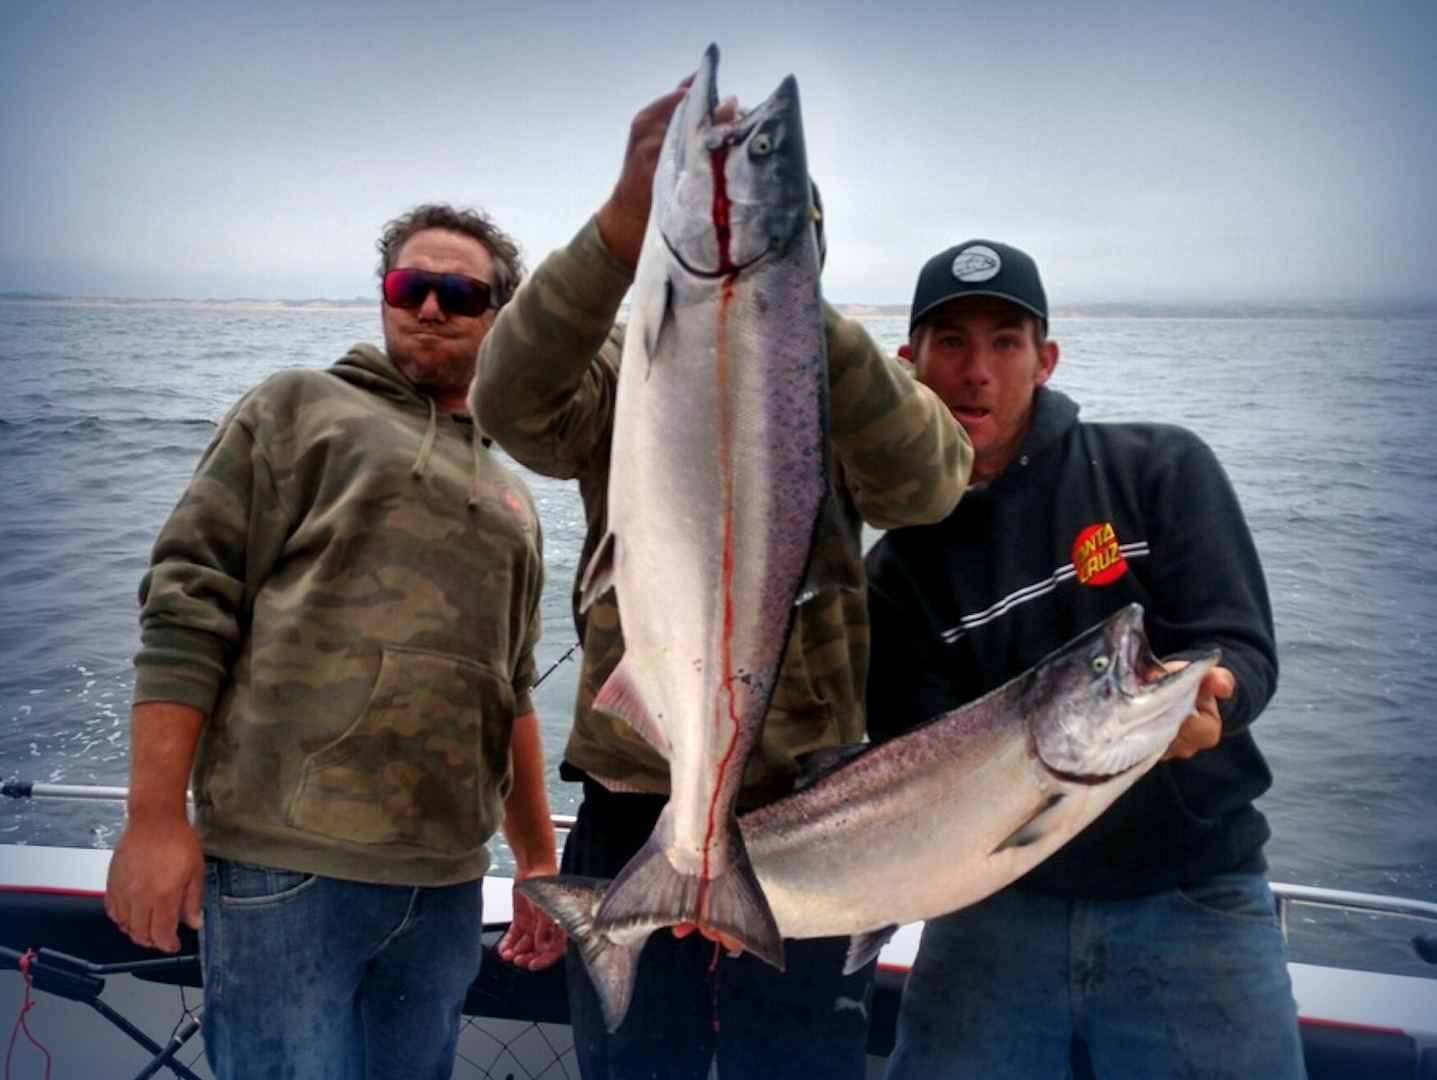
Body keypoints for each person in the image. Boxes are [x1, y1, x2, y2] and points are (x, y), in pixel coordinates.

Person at [470, 82, 971, 1080]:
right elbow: (509, 400)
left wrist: (794, 308)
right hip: (631, 797)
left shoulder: (844, 380)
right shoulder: (631, 360)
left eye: (790, 225)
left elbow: (932, 484)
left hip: (807, 812)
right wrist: (616, 235)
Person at [103, 203, 566, 1080]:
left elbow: (510, 692)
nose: (430, 307)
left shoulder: (513, 496)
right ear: (386, 296)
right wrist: (154, 819)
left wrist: (538, 861)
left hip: (446, 885)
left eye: (459, 293)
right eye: (409, 285)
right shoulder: (298, 407)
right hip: (287, 867)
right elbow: (188, 606)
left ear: (498, 313)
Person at [866, 239, 1307, 1079]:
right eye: (950, 342)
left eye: (1004, 341)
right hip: (994, 907)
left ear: (1044, 360)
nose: (976, 371)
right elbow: (909, 758)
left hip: (1190, 897)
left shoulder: (1158, 469)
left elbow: (1238, 644)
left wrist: (1216, 699)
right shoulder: (899, 569)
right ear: (908, 364)